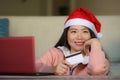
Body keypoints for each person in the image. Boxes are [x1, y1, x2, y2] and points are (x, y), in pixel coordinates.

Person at [35, 7, 109, 76]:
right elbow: (32, 67)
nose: (79, 37)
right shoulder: (54, 54)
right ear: (66, 35)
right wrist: (53, 69)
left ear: (91, 35)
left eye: (85, 32)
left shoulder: (100, 58)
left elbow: (97, 71)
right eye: (74, 31)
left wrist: (95, 43)